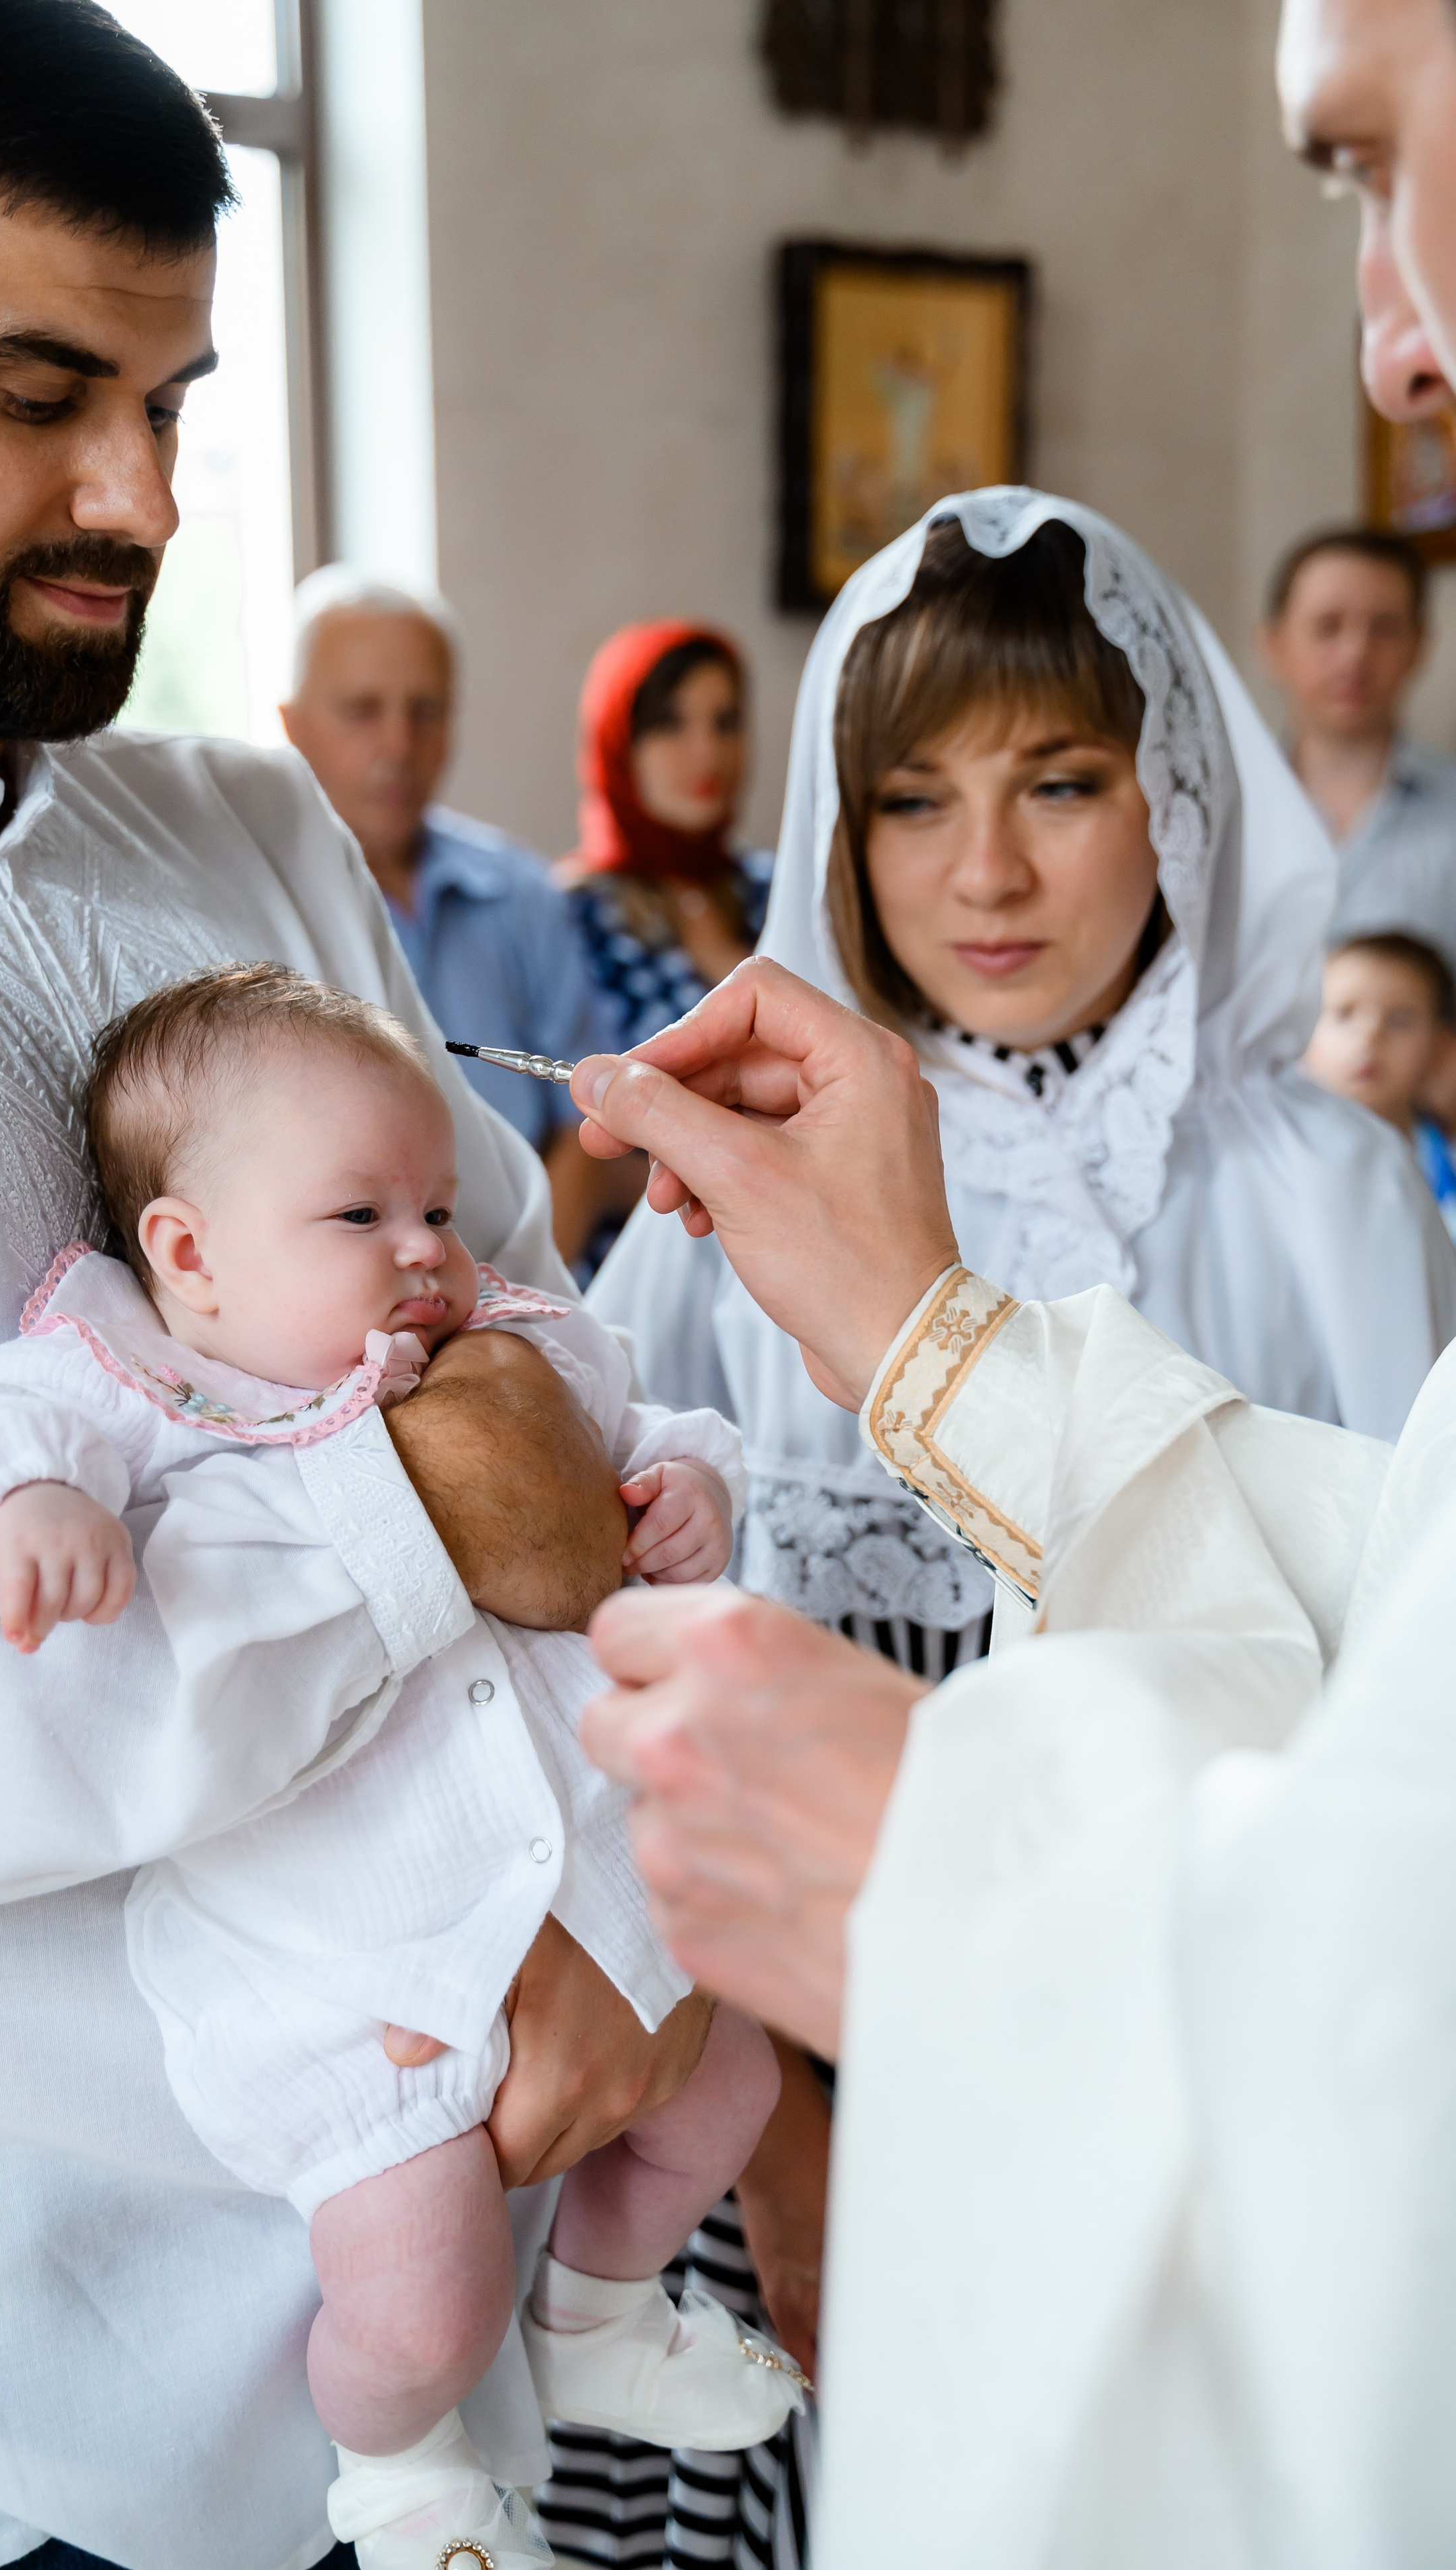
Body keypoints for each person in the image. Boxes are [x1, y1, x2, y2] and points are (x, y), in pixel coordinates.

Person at [0, 9, 709, 2568]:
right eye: (43, 391)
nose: (139, 496)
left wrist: (581, 1909)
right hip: (31, 2407)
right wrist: (407, 1516)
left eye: (175, 400)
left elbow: (547, 1401)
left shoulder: (254, 826)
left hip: (488, 2279)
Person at [540, 6, 1456, 2550]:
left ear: (1173, 799)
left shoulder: (1311, 1184)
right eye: (915, 798)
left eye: (1060, 782)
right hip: (790, 2046)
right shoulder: (752, 1183)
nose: (990, 869)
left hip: (1199, 2029)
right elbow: (664, 1630)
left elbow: (1372, 1698)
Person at [0, 964, 803, 2570]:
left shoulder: (503, 1339)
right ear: (189, 1254)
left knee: (731, 2094)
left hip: (602, 1908)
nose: (424, 1246)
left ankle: (606, 2312)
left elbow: (648, 1418)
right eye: (358, 1214)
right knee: (419, 2296)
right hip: (358, 1979)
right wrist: (30, 1507)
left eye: (434, 1201)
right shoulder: (144, 1381)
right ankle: (398, 2460)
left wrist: (689, 1479)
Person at [279, 565, 607, 1262]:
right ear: (292, 725)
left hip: (532, 1283)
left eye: (425, 711)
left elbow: (592, 1126)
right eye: (363, 710)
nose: (399, 745)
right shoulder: (260, 900)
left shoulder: (519, 889)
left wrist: (512, 1302)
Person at [552, 622, 772, 1272]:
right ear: (621, 742)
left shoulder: (777, 890)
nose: (706, 751)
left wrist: (721, 949)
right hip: (640, 1264)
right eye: (671, 724)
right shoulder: (573, 912)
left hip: (788, 1246)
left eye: (726, 721)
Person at [1258, 524, 1456, 964]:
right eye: (1327, 627)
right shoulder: (1217, 813)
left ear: (1419, 646)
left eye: (1384, 628)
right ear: (1274, 644)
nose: (1355, 655)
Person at [1302, 930, 1456, 1234]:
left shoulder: (1447, 1160)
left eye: (1400, 1020)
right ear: (1302, 1032)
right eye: (1344, 1014)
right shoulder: (1285, 1161)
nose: (1370, 1036)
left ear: (1439, 1048)